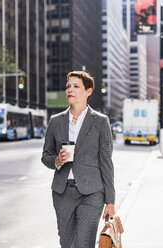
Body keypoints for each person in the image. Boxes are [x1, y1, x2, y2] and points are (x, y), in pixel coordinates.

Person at [41, 71, 115, 248]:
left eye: (76, 86)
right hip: (62, 192)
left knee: (83, 243)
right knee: (66, 244)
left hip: (92, 193)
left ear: (88, 91)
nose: (70, 90)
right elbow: (46, 156)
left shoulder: (100, 121)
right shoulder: (55, 121)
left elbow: (106, 161)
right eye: (68, 86)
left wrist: (110, 201)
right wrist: (57, 161)